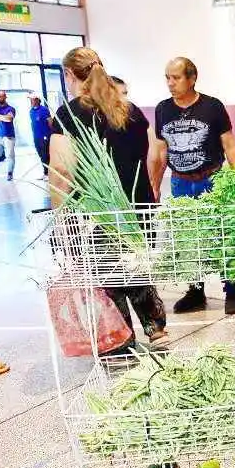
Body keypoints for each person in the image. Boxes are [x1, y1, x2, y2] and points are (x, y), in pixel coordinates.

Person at [49, 47, 170, 349]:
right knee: (136, 264)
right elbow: (155, 152)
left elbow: (62, 167)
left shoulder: (69, 112)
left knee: (109, 274)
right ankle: (156, 328)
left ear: (69, 75)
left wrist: (59, 215)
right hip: (139, 207)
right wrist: (151, 189)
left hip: (97, 212)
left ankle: (121, 339)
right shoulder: (130, 109)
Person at [149, 57, 235, 315]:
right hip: (180, 182)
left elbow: (229, 145)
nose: (170, 83)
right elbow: (160, 150)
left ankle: (231, 289)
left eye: (176, 78)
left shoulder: (212, 107)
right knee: (189, 240)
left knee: (221, 235)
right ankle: (196, 291)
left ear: (192, 78)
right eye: (167, 77)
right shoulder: (162, 109)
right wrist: (155, 185)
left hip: (211, 179)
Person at [28, 93, 52, 179]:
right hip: (36, 137)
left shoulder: (44, 110)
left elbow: (50, 121)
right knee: (41, 155)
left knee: (45, 155)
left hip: (44, 136)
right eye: (30, 99)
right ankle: (45, 172)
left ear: (37, 100)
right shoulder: (31, 111)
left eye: (33, 99)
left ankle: (48, 174)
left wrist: (52, 133)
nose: (31, 101)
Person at [0, 90, 17, 181]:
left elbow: (9, 119)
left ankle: (10, 174)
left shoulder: (11, 108)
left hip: (9, 136)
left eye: (1, 96)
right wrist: (3, 117)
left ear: (5, 97)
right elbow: (5, 118)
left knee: (10, 155)